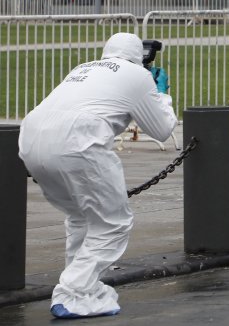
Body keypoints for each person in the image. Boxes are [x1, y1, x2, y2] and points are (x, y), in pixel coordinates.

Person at [18, 32, 177, 319]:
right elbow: (162, 129)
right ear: (138, 56)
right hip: (79, 143)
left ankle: (85, 289)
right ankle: (72, 291)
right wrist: (161, 93)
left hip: (31, 143)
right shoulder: (138, 75)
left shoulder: (83, 68)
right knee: (113, 224)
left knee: (81, 217)